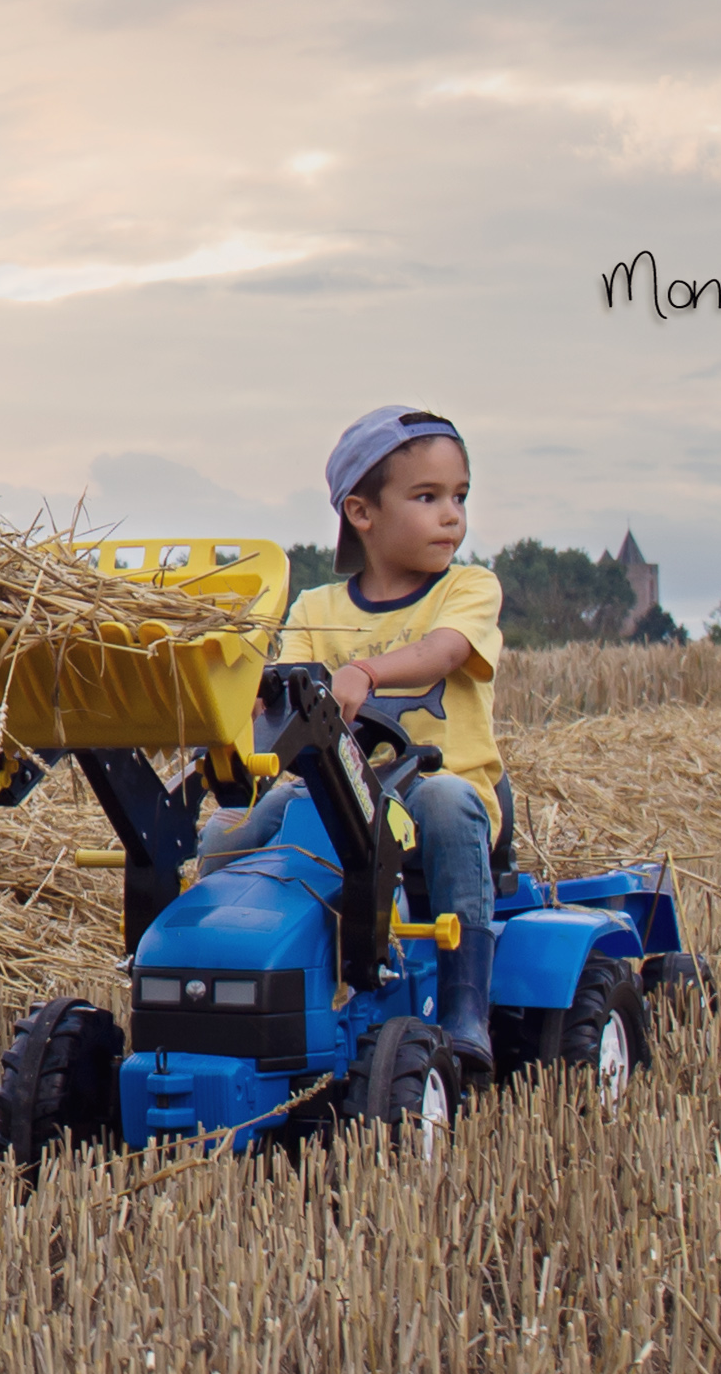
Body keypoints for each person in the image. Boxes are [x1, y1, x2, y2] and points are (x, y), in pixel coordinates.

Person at [190, 405, 511, 1069]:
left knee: (447, 800)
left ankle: (465, 1006)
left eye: (459, 496)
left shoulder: (469, 588)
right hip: (336, 797)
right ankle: (216, 973)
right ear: (362, 512)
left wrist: (367, 671)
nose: (452, 516)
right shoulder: (316, 608)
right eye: (427, 497)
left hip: (433, 792)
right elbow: (281, 688)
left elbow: (446, 650)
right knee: (226, 829)